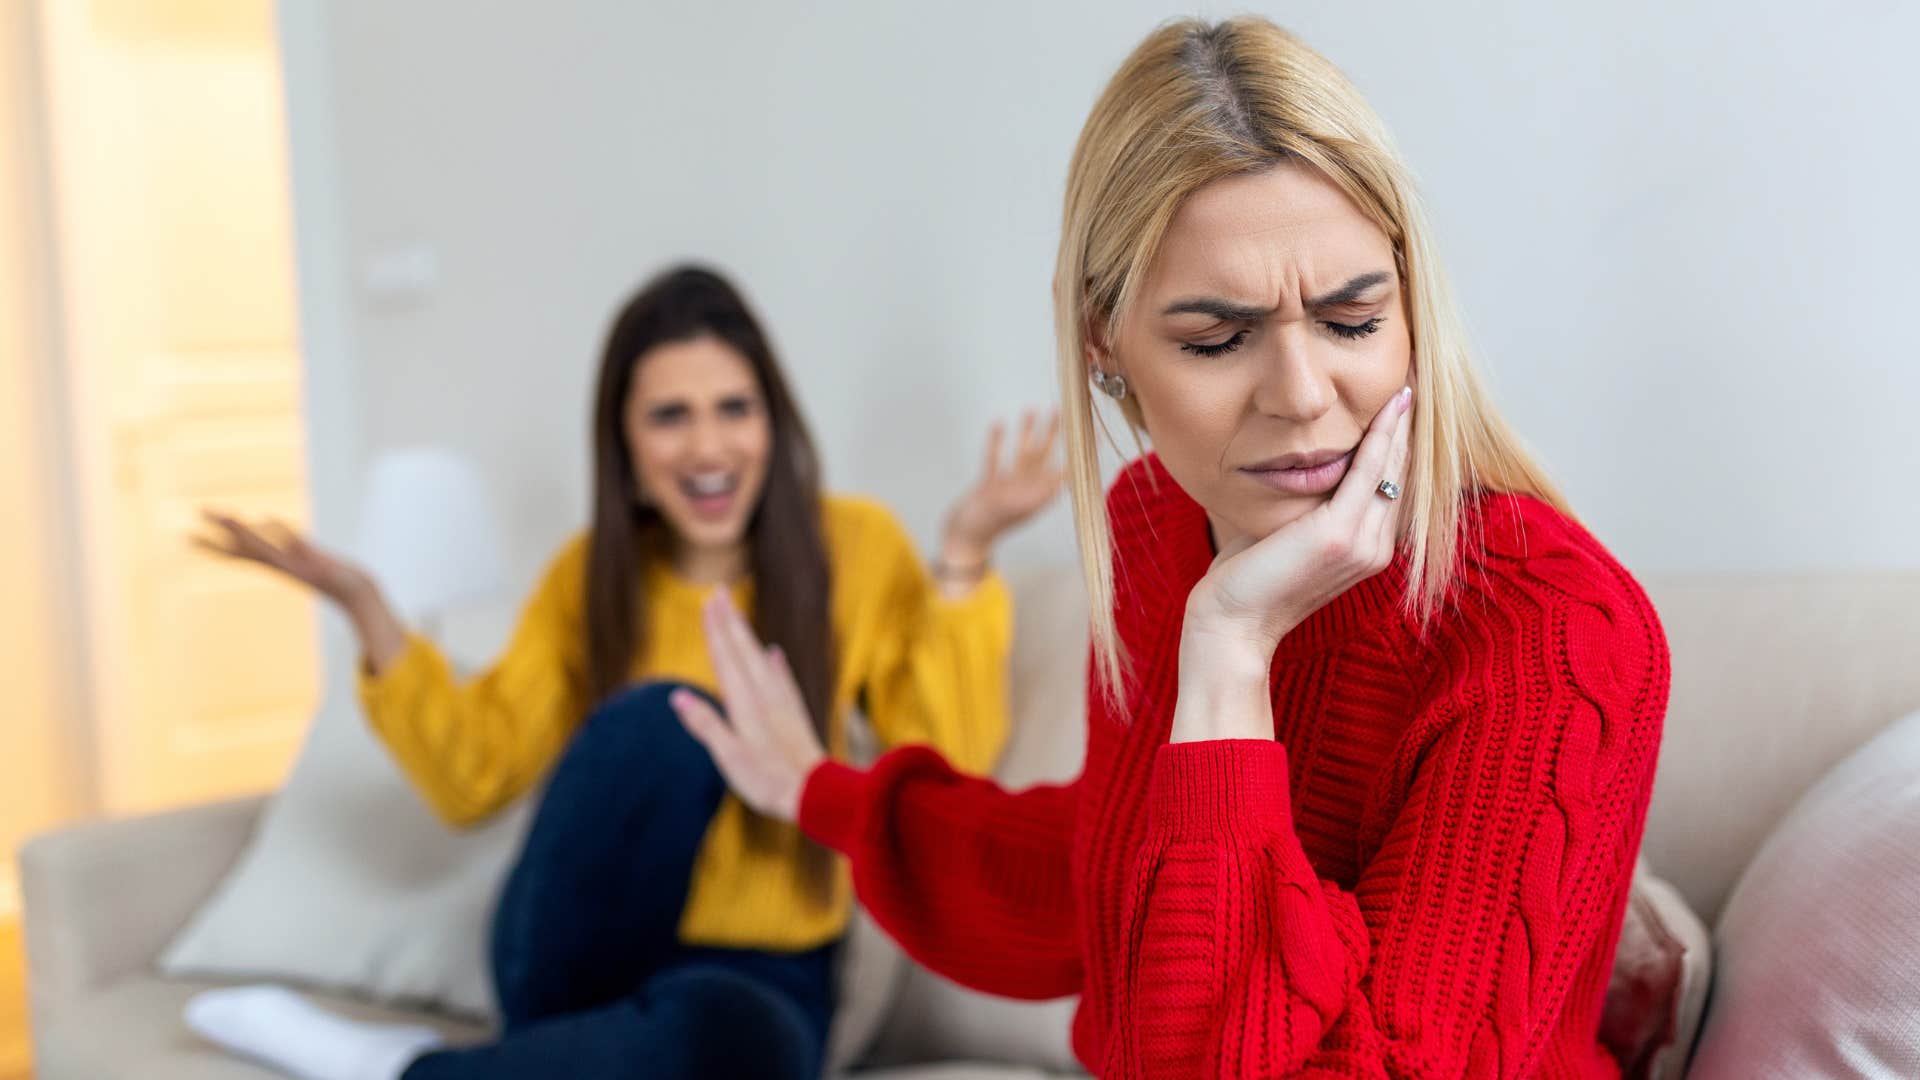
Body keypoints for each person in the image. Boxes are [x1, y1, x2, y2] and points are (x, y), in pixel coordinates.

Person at [671, 20, 1670, 1079]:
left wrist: (1232, 649)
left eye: (1352, 319)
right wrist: (824, 792)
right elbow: (1106, 874)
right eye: (1216, 338)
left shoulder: (1550, 630)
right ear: (1105, 342)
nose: (1300, 394)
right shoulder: (1153, 520)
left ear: (1414, 307)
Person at [185, 265, 1061, 1079]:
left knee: (722, 1036)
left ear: (772, 423)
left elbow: (952, 760)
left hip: (763, 977)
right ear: (628, 447)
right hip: (576, 960)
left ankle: (410, 1069)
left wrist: (965, 552)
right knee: (664, 723)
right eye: (669, 416)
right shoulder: (588, 576)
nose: (707, 444)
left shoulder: (856, 550)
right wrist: (369, 612)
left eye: (733, 408)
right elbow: (471, 775)